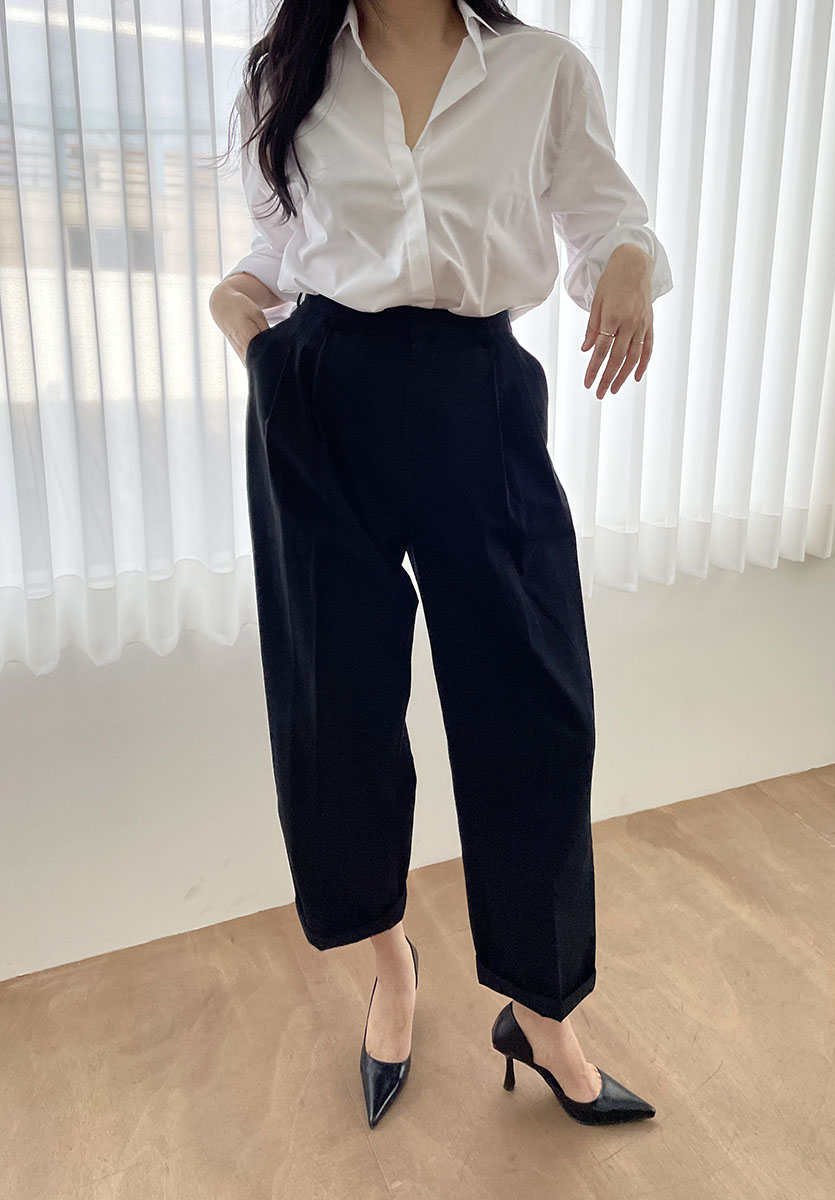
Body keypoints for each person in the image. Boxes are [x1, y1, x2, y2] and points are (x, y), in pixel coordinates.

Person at [209, 0, 673, 1130]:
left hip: (479, 392)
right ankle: (393, 968)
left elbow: (609, 220)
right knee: (336, 713)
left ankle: (542, 1010)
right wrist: (241, 315)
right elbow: (279, 252)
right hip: (322, 397)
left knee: (537, 710)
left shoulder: (541, 70)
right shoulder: (289, 74)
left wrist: (627, 263)